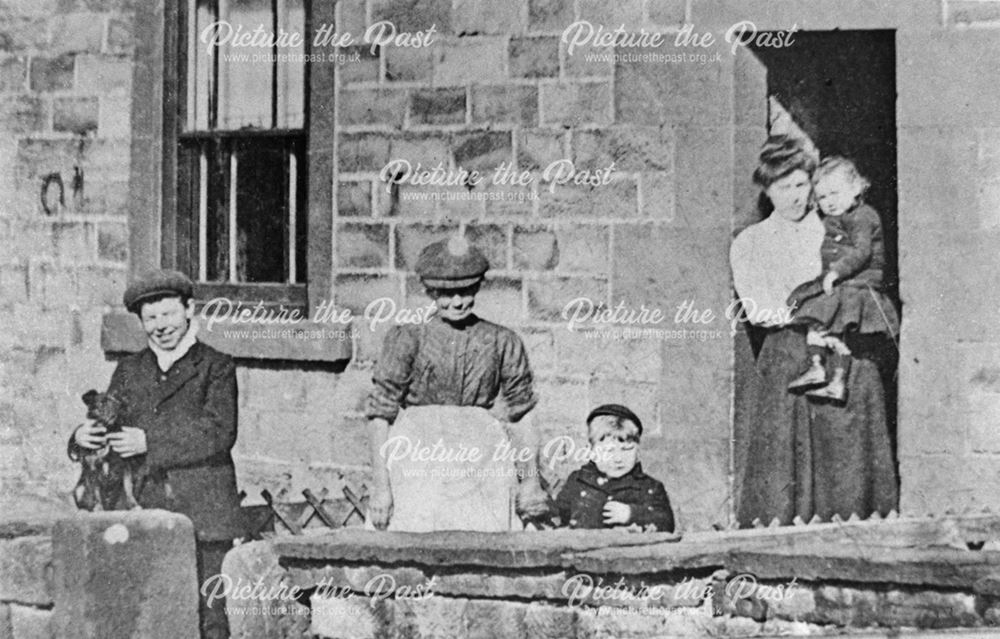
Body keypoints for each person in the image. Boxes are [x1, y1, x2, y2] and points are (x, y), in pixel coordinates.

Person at [729, 135, 897, 526]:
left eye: (801, 185)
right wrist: (807, 315)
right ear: (766, 190)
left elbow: (867, 275)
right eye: (782, 187)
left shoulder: (838, 228)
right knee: (786, 474)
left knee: (847, 463)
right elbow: (757, 309)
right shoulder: (751, 242)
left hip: (843, 352)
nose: (794, 197)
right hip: (789, 355)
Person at [69, 270, 245, 639]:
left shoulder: (216, 365)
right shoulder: (130, 370)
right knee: (147, 613)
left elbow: (218, 432)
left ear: (188, 310)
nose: (160, 326)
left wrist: (150, 441)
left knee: (208, 617)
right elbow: (108, 421)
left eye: (168, 314)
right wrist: (84, 437)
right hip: (143, 508)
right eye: (150, 318)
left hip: (204, 513)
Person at [365, 235, 550, 531]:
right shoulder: (407, 338)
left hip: (481, 457)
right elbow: (380, 416)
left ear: (476, 287)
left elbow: (523, 414)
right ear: (430, 291)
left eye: (466, 291)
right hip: (418, 457)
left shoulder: (502, 340)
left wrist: (530, 481)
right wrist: (381, 487)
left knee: (484, 541)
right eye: (446, 294)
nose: (457, 301)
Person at [785, 157, 900, 401]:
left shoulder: (863, 216)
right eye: (823, 197)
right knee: (815, 320)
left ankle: (837, 379)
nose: (830, 202)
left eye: (835, 193)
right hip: (840, 282)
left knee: (836, 328)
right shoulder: (830, 221)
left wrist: (835, 272)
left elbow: (862, 252)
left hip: (859, 283)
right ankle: (818, 367)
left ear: (856, 188)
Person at [555, 404, 674, 532]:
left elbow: (666, 523)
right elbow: (558, 515)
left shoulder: (649, 487)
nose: (618, 458)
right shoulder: (578, 481)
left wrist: (632, 514)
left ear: (638, 451)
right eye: (609, 451)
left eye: (626, 449)